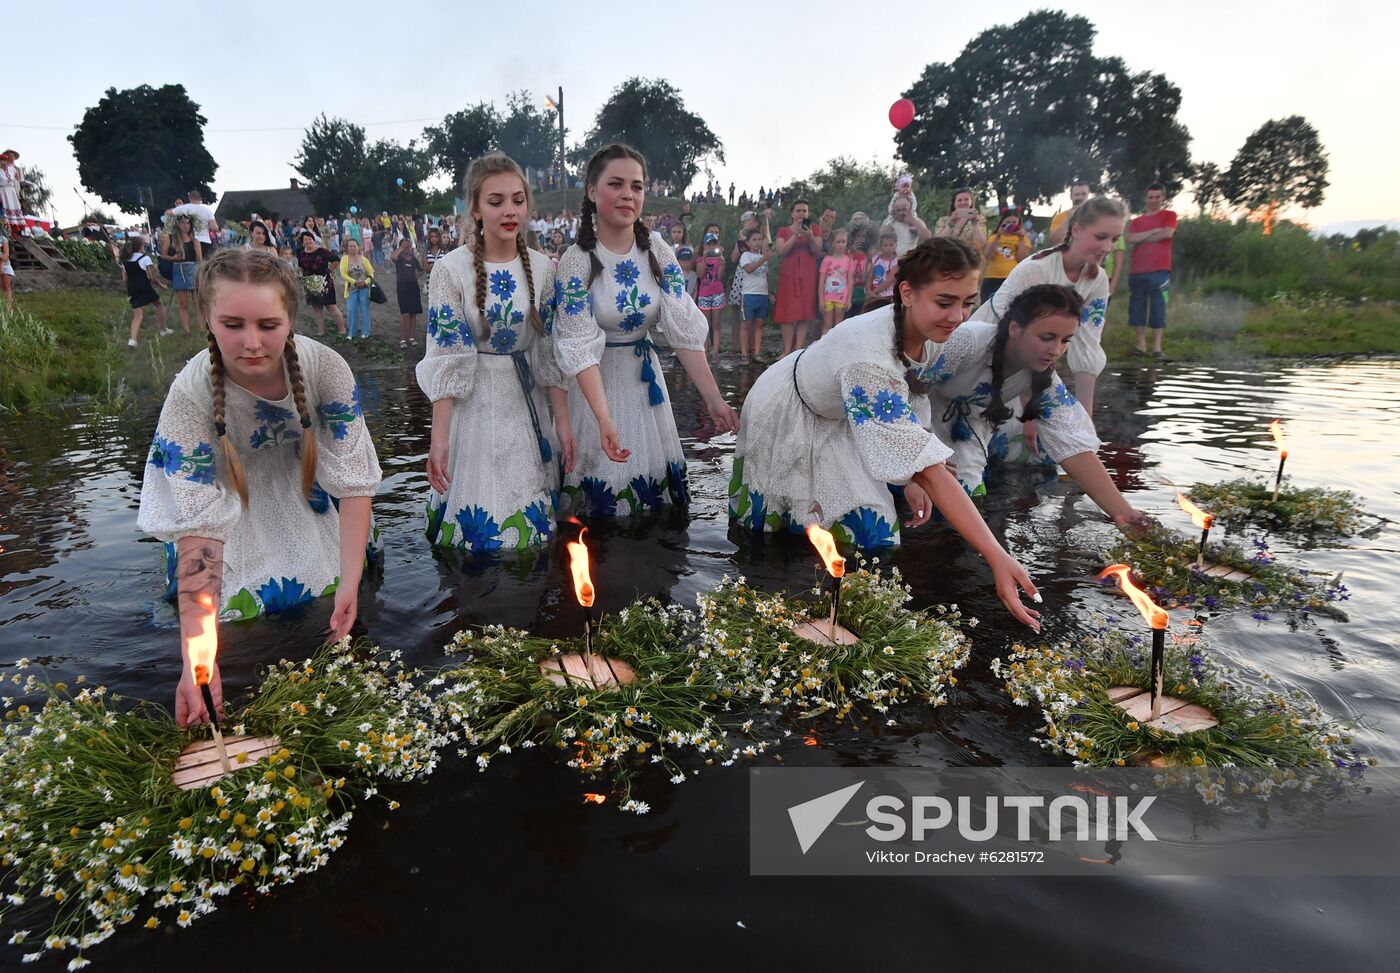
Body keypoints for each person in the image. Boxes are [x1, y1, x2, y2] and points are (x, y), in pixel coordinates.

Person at [728, 238, 1042, 628]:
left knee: (873, 534)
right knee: (782, 529)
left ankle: (852, 625)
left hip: (842, 413)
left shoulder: (925, 331)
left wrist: (911, 475)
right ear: (907, 293)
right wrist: (996, 555)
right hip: (789, 407)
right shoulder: (869, 356)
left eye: (967, 301)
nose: (958, 316)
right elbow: (929, 467)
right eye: (945, 302)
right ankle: (776, 611)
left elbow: (908, 392)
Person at [137, 249, 381, 727]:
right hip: (229, 497)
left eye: (268, 325)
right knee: (239, 611)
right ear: (206, 317)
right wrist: (196, 663)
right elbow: (199, 527)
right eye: (232, 324)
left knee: (331, 589)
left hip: (300, 486)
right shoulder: (191, 393)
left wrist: (351, 583)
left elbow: (354, 483)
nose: (251, 343)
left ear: (291, 319)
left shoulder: (325, 368)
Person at [553, 143, 739, 518]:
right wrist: (605, 419)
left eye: (636, 187)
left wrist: (713, 398)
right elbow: (577, 347)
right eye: (616, 184)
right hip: (595, 388)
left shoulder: (656, 249)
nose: (628, 195)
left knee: (652, 507)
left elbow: (682, 331)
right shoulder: (576, 261)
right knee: (598, 509)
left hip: (645, 383)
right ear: (592, 191)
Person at [419, 152, 573, 553]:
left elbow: (548, 351)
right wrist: (440, 441)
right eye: (496, 201)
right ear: (475, 207)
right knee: (476, 536)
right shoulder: (449, 270)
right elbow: (446, 355)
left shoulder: (543, 268)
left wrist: (563, 424)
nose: (510, 211)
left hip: (527, 404)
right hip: (474, 405)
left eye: (518, 200)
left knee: (535, 535)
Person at [927, 284, 1148, 538]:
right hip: (912, 419)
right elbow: (905, 389)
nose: (1055, 350)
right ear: (1015, 329)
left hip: (966, 427)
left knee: (965, 508)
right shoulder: (968, 342)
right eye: (1046, 337)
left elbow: (1074, 447)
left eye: (1065, 340)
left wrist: (1122, 512)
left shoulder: (1043, 380)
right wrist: (924, 457)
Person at [973, 197, 1125, 421]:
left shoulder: (1098, 280)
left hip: (1031, 370)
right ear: (1077, 229)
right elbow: (1016, 340)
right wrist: (1030, 414)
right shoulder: (1037, 270)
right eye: (1101, 237)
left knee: (1075, 434)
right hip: (983, 359)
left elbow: (1088, 345)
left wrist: (1086, 420)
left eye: (1114, 239)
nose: (1108, 247)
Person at [1126, 182, 1177, 358]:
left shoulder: (1169, 215)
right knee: (1137, 306)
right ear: (1145, 198)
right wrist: (1153, 232)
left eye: (1157, 197)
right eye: (1150, 197)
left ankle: (1157, 347)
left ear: (1163, 198)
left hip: (1160, 269)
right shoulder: (1137, 221)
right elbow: (1131, 238)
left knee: (1158, 306)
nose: (1153, 200)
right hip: (1137, 270)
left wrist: (1145, 237)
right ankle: (1140, 345)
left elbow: (1167, 234)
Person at [773, 199, 822, 356]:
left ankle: (799, 349)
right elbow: (781, 250)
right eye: (799, 210)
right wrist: (796, 234)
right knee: (787, 312)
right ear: (792, 214)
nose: (802, 213)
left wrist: (811, 237)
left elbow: (818, 250)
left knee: (805, 312)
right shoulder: (783, 230)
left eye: (804, 211)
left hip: (808, 275)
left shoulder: (814, 229)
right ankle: (787, 349)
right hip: (789, 275)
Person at [121, 234, 170, 346]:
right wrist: (162, 286)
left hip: (132, 288)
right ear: (141, 246)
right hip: (144, 287)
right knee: (159, 305)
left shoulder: (125, 260)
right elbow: (152, 278)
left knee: (137, 316)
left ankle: (132, 340)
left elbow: (124, 279)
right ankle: (163, 330)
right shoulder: (145, 258)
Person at [296, 231, 347, 336]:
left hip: (325, 282)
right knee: (317, 307)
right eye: (305, 239)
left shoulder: (321, 251)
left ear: (313, 240)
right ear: (303, 242)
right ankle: (321, 331)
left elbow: (336, 259)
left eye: (310, 239)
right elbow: (300, 265)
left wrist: (330, 269)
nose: (308, 241)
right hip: (310, 282)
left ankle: (342, 329)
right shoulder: (301, 253)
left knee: (331, 306)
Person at [161, 212, 202, 334]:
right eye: (183, 222)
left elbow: (199, 260)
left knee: (197, 302)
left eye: (188, 223)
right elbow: (163, 255)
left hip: (193, 270)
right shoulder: (171, 238)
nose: (185, 225)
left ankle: (201, 328)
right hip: (178, 270)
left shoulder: (195, 241)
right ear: (178, 224)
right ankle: (187, 331)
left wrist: (200, 275)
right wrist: (173, 258)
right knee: (183, 303)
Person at [736, 228, 771, 364]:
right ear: (748, 242)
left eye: (759, 240)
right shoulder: (746, 255)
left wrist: (770, 292)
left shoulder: (765, 257)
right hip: (749, 294)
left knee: (760, 323)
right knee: (746, 324)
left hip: (762, 293)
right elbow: (749, 269)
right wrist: (763, 259)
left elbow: (766, 276)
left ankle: (756, 352)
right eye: (754, 240)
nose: (757, 242)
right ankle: (744, 354)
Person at [981, 211, 1031, 301]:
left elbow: (1022, 259)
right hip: (993, 277)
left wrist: (1021, 239)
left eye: (1014, 222)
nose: (1011, 225)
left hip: (1013, 277)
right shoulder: (994, 236)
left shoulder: (1022, 238)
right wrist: (998, 237)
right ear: (1002, 223)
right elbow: (988, 255)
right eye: (1007, 222)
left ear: (1019, 223)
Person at [392, 235, 426, 348]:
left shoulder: (414, 260)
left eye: (410, 247)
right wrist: (401, 247)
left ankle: (412, 337)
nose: (409, 249)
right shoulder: (399, 258)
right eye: (407, 247)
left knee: (413, 314)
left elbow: (421, 271)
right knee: (404, 314)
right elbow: (392, 257)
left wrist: (416, 276)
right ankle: (402, 339)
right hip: (402, 288)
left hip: (413, 288)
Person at [696, 230, 726, 356]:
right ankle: (705, 352)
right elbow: (700, 274)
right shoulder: (700, 259)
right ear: (704, 246)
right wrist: (704, 258)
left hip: (717, 293)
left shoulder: (720, 259)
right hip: (704, 293)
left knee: (716, 324)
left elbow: (720, 276)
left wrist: (723, 263)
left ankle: (715, 353)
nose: (712, 247)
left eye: (714, 244)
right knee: (705, 325)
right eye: (709, 244)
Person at [818, 228, 853, 335]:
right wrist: (820, 300)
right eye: (838, 242)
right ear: (832, 243)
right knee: (827, 324)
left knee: (839, 324)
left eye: (843, 242)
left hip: (842, 297)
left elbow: (850, 281)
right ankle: (824, 346)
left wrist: (849, 300)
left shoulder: (848, 261)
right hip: (827, 296)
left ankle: (837, 347)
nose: (841, 245)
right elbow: (821, 281)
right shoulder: (827, 260)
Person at [339, 238, 375, 340]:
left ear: (358, 247)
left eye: (354, 246)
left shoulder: (364, 259)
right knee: (351, 310)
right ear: (347, 248)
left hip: (364, 288)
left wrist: (365, 282)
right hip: (352, 288)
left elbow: (371, 274)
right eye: (350, 246)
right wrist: (354, 282)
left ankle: (366, 332)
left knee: (365, 310)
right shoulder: (344, 259)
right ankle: (352, 332)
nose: (352, 248)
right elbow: (343, 274)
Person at [1049, 182, 1091, 246]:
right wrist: (1069, 219)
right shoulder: (1060, 217)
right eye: (1076, 194)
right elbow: (1054, 242)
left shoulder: (1098, 216)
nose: (1080, 198)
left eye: (1083, 194)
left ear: (1088, 195)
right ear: (1071, 196)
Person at [868, 228, 898, 303]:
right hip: (874, 295)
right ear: (881, 246)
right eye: (885, 245)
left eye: (891, 245)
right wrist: (868, 290)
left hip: (889, 296)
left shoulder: (897, 262)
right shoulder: (875, 259)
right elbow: (870, 277)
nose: (888, 248)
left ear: (896, 245)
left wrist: (874, 292)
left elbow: (888, 281)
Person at [847, 219, 870, 315]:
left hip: (862, 288)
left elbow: (868, 274)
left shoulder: (868, 254)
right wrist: (851, 251)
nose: (861, 239)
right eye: (858, 236)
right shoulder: (848, 252)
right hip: (849, 289)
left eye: (863, 237)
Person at [0, 150, 23, 236]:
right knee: (5, 210)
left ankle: (16, 230)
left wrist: (17, 192)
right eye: (1, 161)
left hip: (12, 191)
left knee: (14, 208)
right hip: (3, 191)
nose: (3, 162)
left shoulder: (13, 169)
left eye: (5, 160)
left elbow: (18, 181)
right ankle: (7, 230)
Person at [0, 235, 13, 308]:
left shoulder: (3, 239)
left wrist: (1, 265)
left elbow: (6, 255)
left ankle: (8, 308)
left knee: (6, 287)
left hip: (5, 265)